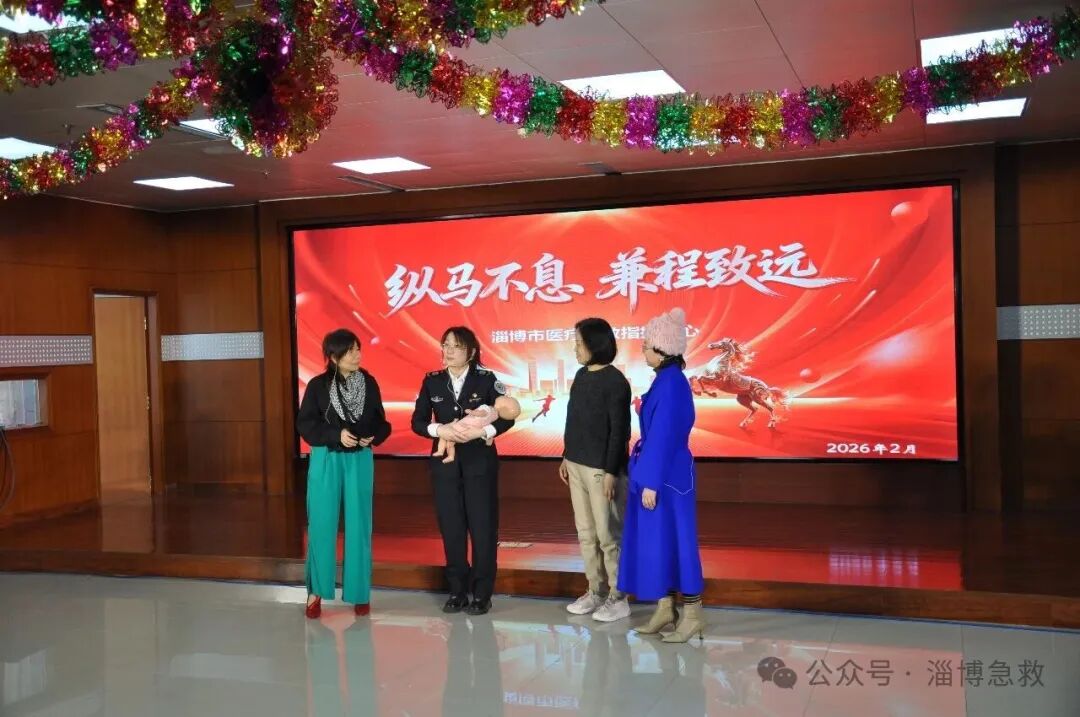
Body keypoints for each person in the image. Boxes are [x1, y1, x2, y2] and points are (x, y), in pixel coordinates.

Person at [411, 326, 516, 615]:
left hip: (479, 463)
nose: (448, 351)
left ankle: (482, 594)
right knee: (452, 528)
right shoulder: (432, 381)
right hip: (445, 466)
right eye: (445, 345)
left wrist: (484, 432)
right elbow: (418, 422)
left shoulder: (487, 379)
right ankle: (457, 591)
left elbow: (506, 417)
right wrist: (439, 429)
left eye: (455, 346)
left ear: (470, 352)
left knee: (483, 528)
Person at [617, 307, 706, 643]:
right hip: (661, 472)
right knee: (661, 541)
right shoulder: (667, 380)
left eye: (646, 345)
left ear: (663, 348)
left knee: (678, 542)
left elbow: (664, 436)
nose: (643, 350)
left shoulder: (670, 384)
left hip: (665, 478)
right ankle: (666, 608)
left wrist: (650, 482)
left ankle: (692, 614)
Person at [297, 328, 392, 619]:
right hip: (326, 458)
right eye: (350, 351)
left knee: (359, 524)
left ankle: (359, 592)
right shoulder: (317, 386)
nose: (357, 355)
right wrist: (336, 435)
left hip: (359, 459)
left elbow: (381, 422)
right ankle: (316, 591)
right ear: (334, 356)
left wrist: (372, 435)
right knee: (321, 523)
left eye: (358, 349)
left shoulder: (369, 383)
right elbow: (306, 424)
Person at [559, 318, 632, 623]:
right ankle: (595, 590)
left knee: (608, 535)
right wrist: (566, 456)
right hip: (576, 463)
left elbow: (619, 432)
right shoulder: (581, 375)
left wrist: (612, 471)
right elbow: (573, 419)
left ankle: (619, 596)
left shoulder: (615, 381)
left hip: (602, 469)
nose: (575, 348)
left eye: (579, 343)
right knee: (586, 533)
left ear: (596, 344)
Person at [433, 395, 521, 463]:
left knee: (444, 436)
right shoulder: (496, 416)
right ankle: (451, 456)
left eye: (508, 398)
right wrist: (486, 436)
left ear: (501, 405)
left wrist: (471, 412)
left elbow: (481, 413)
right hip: (470, 430)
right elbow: (489, 433)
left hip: (464, 425)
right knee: (451, 443)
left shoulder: (488, 408)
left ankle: (441, 451)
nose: (506, 395)